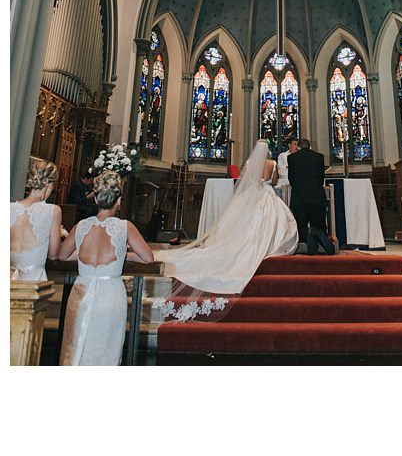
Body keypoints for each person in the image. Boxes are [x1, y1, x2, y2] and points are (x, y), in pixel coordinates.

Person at [153, 139, 297, 318]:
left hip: (250, 197)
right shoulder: (273, 163)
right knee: (270, 223)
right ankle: (265, 245)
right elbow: (274, 182)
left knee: (243, 225)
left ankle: (243, 246)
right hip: (266, 196)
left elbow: (247, 180)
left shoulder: (251, 163)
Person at [59, 172, 155, 364]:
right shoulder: (125, 227)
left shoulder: (81, 226)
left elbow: (63, 255)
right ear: (118, 200)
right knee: (106, 351)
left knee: (76, 347)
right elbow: (147, 258)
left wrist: (85, 254)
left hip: (81, 294)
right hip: (110, 296)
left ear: (95, 197)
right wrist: (121, 255)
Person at [11, 159, 63, 282]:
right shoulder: (53, 211)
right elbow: (53, 255)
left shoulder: (8, 208)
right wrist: (58, 234)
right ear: (49, 185)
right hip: (35, 282)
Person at [288, 136, 335, 255]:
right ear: (310, 147)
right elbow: (321, 177)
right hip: (317, 195)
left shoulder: (292, 158)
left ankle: (308, 235)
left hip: (299, 196)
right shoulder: (319, 157)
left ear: (298, 147)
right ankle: (319, 236)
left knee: (300, 224)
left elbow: (291, 178)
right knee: (319, 223)